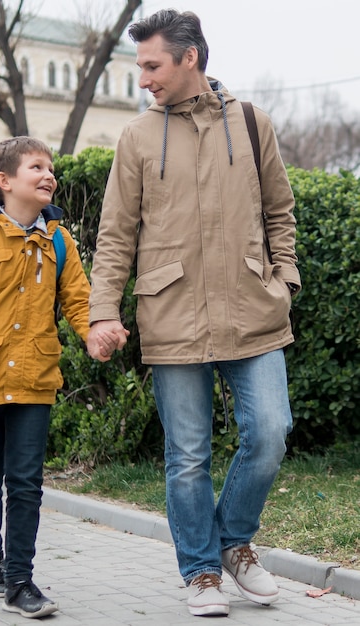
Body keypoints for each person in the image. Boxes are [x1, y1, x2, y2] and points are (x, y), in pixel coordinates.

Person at [87, 9, 301, 619]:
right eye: (139, 67)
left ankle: (233, 541)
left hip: (253, 311)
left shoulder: (253, 123)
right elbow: (115, 236)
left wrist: (283, 279)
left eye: (151, 65)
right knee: (188, 455)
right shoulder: (135, 138)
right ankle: (202, 571)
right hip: (172, 315)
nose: (143, 79)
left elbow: (280, 215)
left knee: (270, 433)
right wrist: (103, 311)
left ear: (190, 58)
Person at [0, 136, 118, 619]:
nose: (49, 174)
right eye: (37, 166)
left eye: (50, 167)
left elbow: (77, 299)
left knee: (27, 484)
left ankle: (20, 580)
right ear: (5, 181)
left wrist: (94, 332)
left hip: (35, 381)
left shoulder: (59, 240)